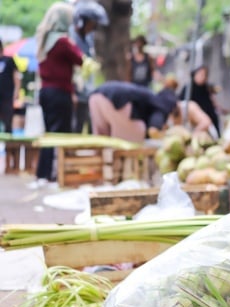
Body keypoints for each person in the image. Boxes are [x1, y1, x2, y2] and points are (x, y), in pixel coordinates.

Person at [34, 1, 84, 186]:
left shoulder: (44, 40)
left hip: (45, 92)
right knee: (61, 135)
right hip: (59, 92)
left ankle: (43, 174)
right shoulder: (62, 41)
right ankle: (57, 175)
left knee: (49, 134)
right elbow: (80, 59)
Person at [88, 80, 177, 143]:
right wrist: (167, 137)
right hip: (118, 101)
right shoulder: (161, 106)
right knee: (129, 143)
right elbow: (153, 130)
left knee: (102, 143)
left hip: (96, 96)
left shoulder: (151, 96)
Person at [69, 0, 109, 134]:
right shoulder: (72, 37)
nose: (94, 27)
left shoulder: (88, 39)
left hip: (87, 91)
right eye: (92, 23)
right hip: (74, 91)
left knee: (89, 124)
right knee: (74, 126)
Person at [178, 65, 221, 138]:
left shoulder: (206, 89)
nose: (203, 77)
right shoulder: (188, 89)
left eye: (205, 75)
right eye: (201, 74)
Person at [0, 40, 21, 134]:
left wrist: (16, 92)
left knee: (8, 124)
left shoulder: (8, 60)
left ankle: (9, 148)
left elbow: (16, 77)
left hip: (7, 97)